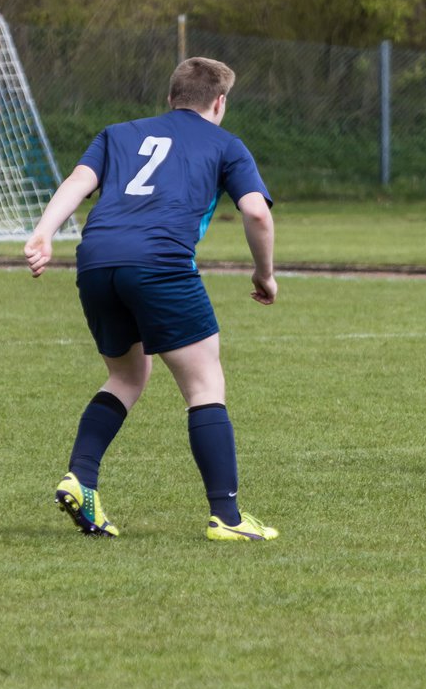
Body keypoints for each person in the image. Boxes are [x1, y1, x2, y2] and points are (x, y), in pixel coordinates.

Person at [24, 57, 280, 540]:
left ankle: (81, 478)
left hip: (96, 260)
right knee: (205, 385)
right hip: (160, 263)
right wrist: (264, 274)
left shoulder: (117, 132)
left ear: (171, 97)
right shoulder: (227, 144)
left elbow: (79, 183)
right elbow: (257, 215)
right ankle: (226, 517)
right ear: (219, 102)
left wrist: (43, 233)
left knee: (126, 374)